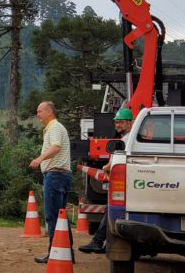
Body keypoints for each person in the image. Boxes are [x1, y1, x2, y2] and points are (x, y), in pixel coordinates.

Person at [78, 107, 133, 254]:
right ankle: (102, 242)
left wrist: (106, 167)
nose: (117, 125)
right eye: (116, 122)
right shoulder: (127, 138)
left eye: (121, 122)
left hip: (127, 183)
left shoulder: (128, 139)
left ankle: (97, 241)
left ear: (130, 123)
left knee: (111, 210)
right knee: (110, 210)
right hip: (128, 182)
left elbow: (119, 158)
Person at [29, 101, 73, 264]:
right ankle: (67, 253)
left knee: (53, 216)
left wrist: (39, 159)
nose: (38, 114)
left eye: (40, 111)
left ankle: (54, 253)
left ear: (49, 112)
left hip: (55, 175)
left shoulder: (54, 127)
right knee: (61, 217)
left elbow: (55, 147)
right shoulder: (55, 128)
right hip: (61, 175)